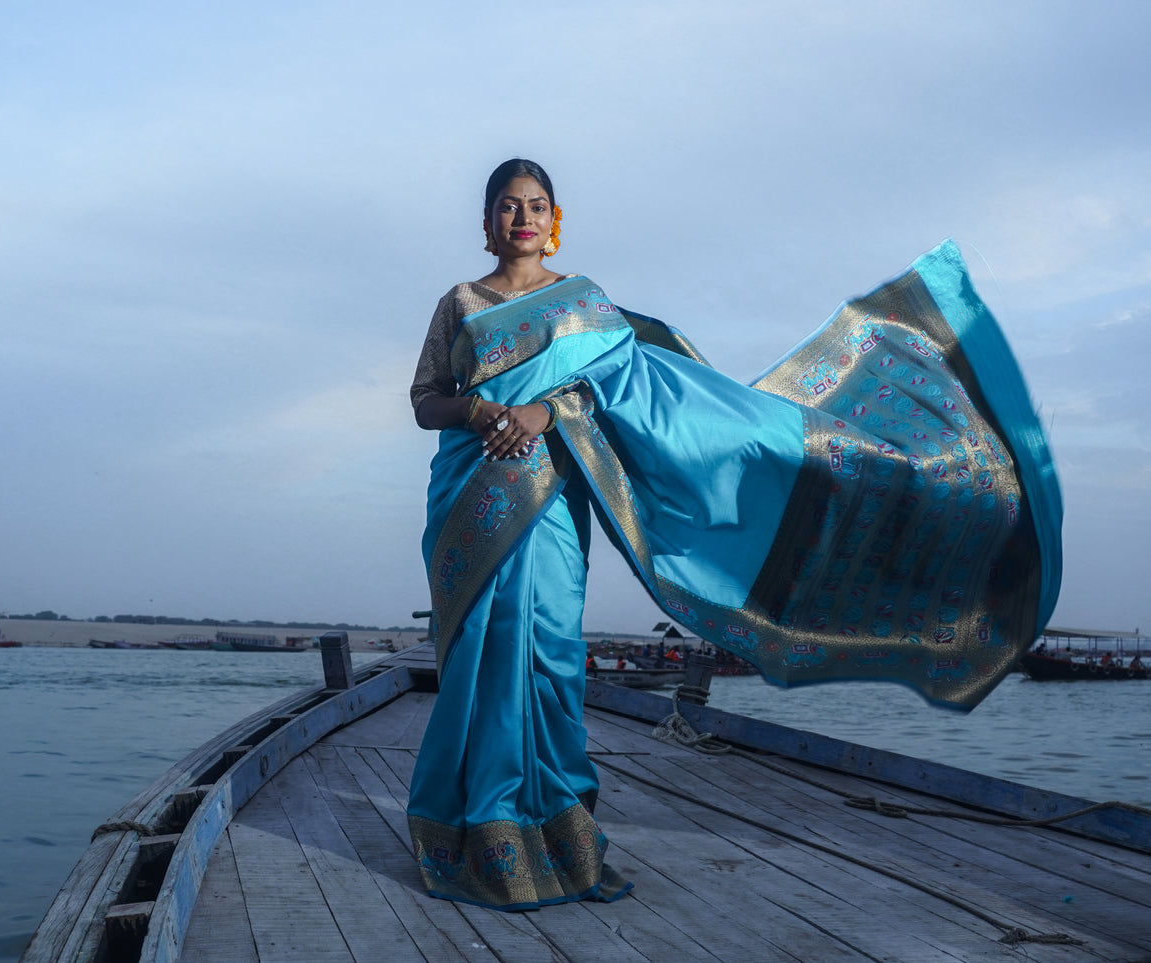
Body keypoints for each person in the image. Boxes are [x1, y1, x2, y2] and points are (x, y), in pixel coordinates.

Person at [406, 158, 1061, 912]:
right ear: (485, 221)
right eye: (508, 206)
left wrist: (543, 413)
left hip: (548, 498)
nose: (522, 217)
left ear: (554, 217)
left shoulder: (582, 303)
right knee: (479, 660)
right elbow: (425, 399)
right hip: (469, 497)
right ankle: (478, 826)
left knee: (550, 649)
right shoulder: (457, 303)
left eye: (536, 205)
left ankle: (554, 824)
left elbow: (622, 388)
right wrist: (478, 413)